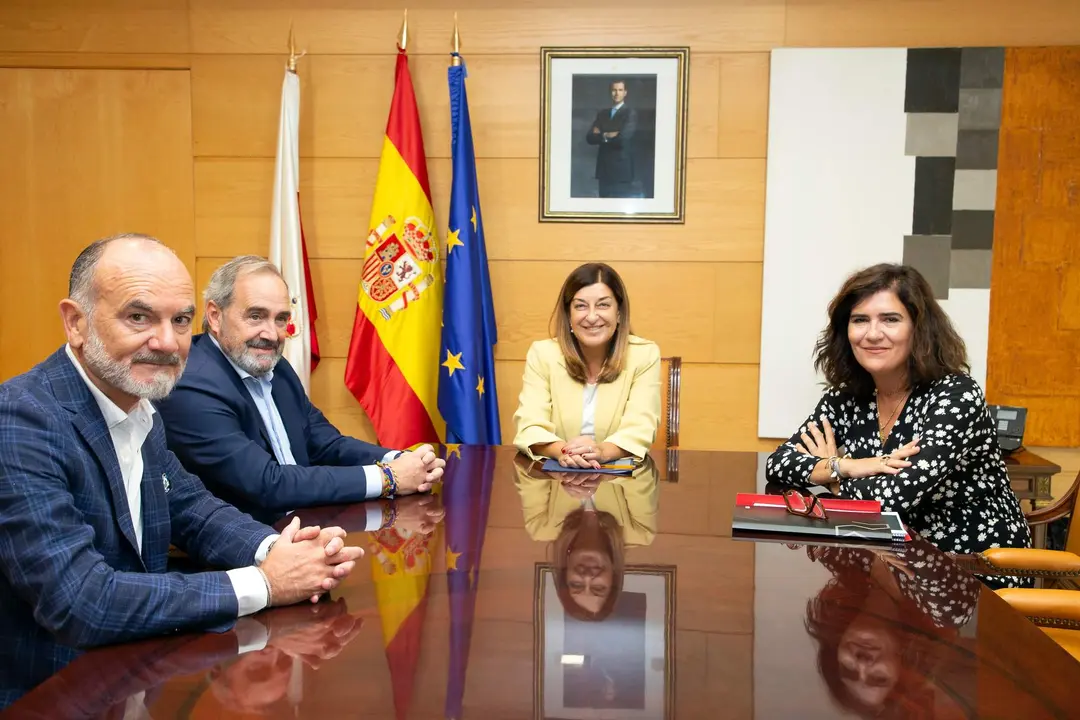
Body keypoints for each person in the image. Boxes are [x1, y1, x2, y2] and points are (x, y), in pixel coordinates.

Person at [0, 234, 363, 706]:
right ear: (76, 322)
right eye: (139, 317)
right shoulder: (21, 421)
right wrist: (266, 584)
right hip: (53, 697)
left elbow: (192, 508)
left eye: (181, 319)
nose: (168, 342)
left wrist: (280, 549)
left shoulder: (140, 407)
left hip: (135, 679)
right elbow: (81, 600)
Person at [765, 263, 1031, 584]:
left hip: (967, 560)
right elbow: (779, 465)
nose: (872, 334)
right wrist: (847, 466)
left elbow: (894, 499)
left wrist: (832, 480)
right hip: (888, 552)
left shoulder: (955, 394)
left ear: (919, 329)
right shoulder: (848, 398)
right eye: (860, 320)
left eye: (890, 319)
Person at [155, 255, 445, 525]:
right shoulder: (191, 383)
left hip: (306, 527)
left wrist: (400, 460)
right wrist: (389, 479)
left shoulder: (274, 366)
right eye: (256, 316)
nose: (271, 334)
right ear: (215, 316)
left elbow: (326, 445)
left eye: (280, 318)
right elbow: (268, 484)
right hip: (239, 551)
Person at [801, 544, 981, 718]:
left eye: (848, 669)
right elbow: (911, 537)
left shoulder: (840, 560)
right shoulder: (946, 609)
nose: (862, 664)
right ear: (904, 667)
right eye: (879, 678)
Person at [513, 262, 661, 469]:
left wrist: (601, 452)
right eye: (581, 306)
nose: (592, 316)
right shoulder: (543, 354)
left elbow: (640, 428)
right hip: (558, 484)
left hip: (620, 488)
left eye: (603, 305)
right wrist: (564, 452)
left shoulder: (643, 354)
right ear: (569, 315)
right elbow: (530, 425)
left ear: (619, 313)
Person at [514, 455, 659, 622]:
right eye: (598, 588)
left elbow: (525, 466)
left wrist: (567, 466)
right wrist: (597, 466)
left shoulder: (540, 526)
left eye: (576, 585)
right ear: (614, 577)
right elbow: (642, 471)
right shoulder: (640, 531)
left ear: (565, 576)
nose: (588, 577)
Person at [584, 79, 638, 198]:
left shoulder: (629, 113)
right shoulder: (602, 114)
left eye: (620, 90)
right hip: (604, 170)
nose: (617, 93)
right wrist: (607, 135)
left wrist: (601, 134)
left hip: (621, 171)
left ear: (625, 93)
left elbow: (622, 139)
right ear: (610, 92)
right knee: (603, 208)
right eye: (614, 90)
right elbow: (590, 138)